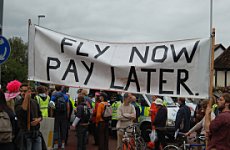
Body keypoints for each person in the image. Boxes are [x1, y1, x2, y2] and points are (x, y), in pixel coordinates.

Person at [14, 83, 46, 150]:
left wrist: (38, 120)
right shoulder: (18, 103)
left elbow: (40, 115)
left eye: (25, 91)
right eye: (21, 91)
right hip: (25, 135)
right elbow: (23, 111)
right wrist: (26, 97)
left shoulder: (34, 102)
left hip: (36, 134)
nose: (22, 93)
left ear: (29, 92)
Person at [50, 85, 70, 150]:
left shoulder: (54, 95)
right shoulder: (66, 96)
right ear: (61, 88)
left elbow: (51, 106)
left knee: (56, 129)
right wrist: (67, 115)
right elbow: (68, 107)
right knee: (63, 129)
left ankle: (55, 144)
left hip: (56, 114)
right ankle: (63, 144)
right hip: (63, 115)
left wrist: (52, 115)